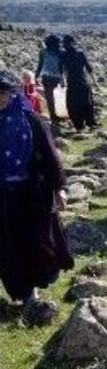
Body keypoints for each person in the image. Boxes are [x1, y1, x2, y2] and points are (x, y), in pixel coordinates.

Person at [0, 70, 73, 322]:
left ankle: (32, 291)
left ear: (12, 94)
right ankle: (19, 290)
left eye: (3, 94)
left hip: (31, 194)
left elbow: (51, 156)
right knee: (8, 246)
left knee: (34, 242)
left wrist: (60, 188)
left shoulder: (31, 121)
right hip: (3, 198)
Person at [59, 35, 97, 131]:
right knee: (87, 103)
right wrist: (95, 81)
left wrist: (62, 81)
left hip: (72, 83)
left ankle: (79, 125)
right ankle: (90, 122)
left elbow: (60, 70)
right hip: (82, 82)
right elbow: (88, 68)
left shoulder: (63, 55)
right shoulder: (80, 53)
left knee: (73, 105)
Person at [34, 34, 64, 126]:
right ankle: (58, 115)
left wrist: (36, 76)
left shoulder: (43, 52)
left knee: (50, 98)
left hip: (46, 78)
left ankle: (53, 117)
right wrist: (63, 79)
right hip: (57, 78)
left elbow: (40, 65)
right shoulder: (60, 52)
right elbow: (61, 67)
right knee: (58, 98)